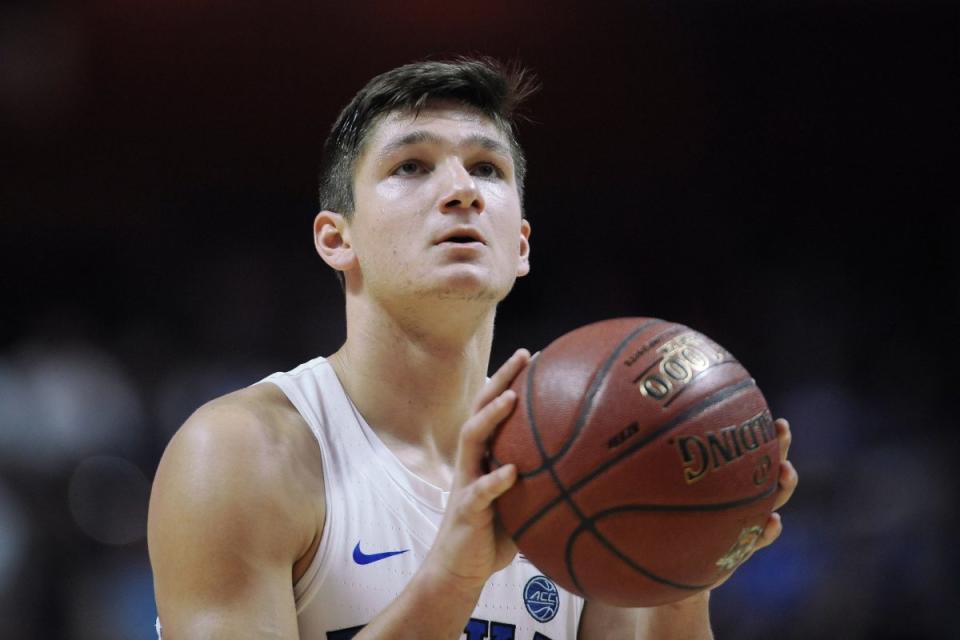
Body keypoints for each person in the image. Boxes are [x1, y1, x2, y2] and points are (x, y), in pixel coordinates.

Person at [147, 57, 798, 640]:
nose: (461, 190)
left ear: (519, 244)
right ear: (334, 239)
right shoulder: (240, 453)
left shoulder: (596, 461)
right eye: (411, 166)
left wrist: (682, 566)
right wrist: (451, 583)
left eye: (487, 168)